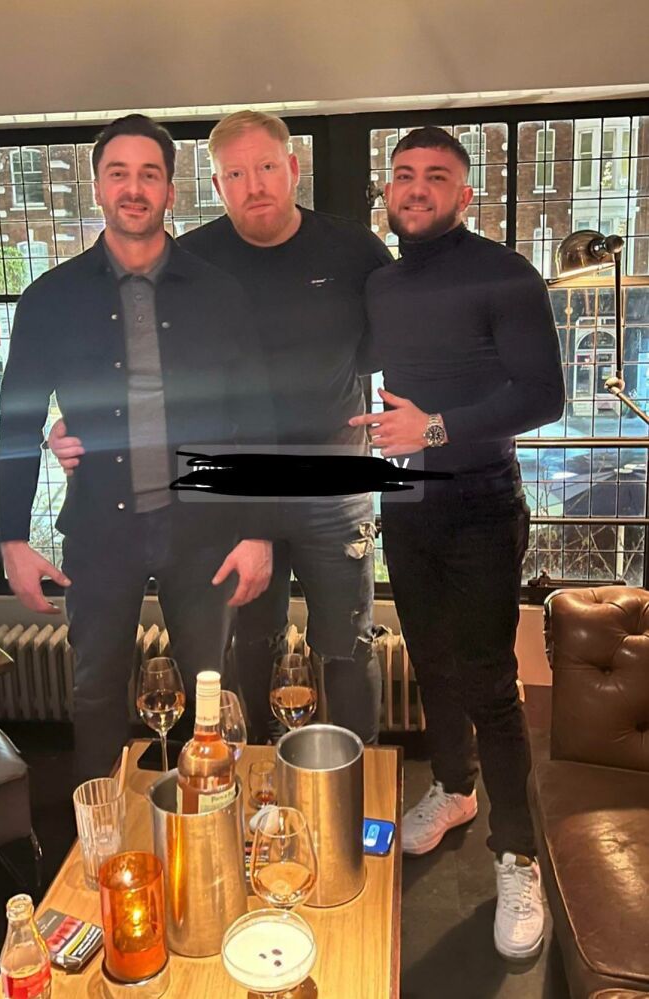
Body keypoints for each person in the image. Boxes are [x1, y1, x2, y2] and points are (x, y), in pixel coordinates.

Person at [50, 110, 393, 746]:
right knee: (245, 649)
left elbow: (392, 345)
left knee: (347, 645)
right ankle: (256, 783)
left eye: (266, 166)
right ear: (215, 184)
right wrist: (78, 422)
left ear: (292, 169)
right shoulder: (192, 260)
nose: (253, 184)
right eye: (235, 173)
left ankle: (352, 793)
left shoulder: (353, 251)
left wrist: (418, 420)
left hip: (332, 483)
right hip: (229, 493)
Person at [0, 114, 274, 782]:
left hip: (204, 531)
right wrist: (11, 538)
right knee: (94, 695)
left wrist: (259, 528)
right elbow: (17, 422)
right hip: (98, 533)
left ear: (172, 191)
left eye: (149, 173)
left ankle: (213, 834)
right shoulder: (49, 299)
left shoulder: (219, 292)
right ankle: (101, 859)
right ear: (96, 188)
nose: (134, 187)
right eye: (118, 173)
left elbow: (256, 416)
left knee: (212, 696)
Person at [350, 126, 564, 959]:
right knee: (431, 658)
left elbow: (542, 394)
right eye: (403, 176)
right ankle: (452, 787)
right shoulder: (382, 283)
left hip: (481, 500)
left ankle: (517, 854)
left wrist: (433, 426)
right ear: (389, 190)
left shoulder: (506, 274)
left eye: (435, 178)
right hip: (407, 499)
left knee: (488, 678)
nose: (416, 189)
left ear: (464, 194)